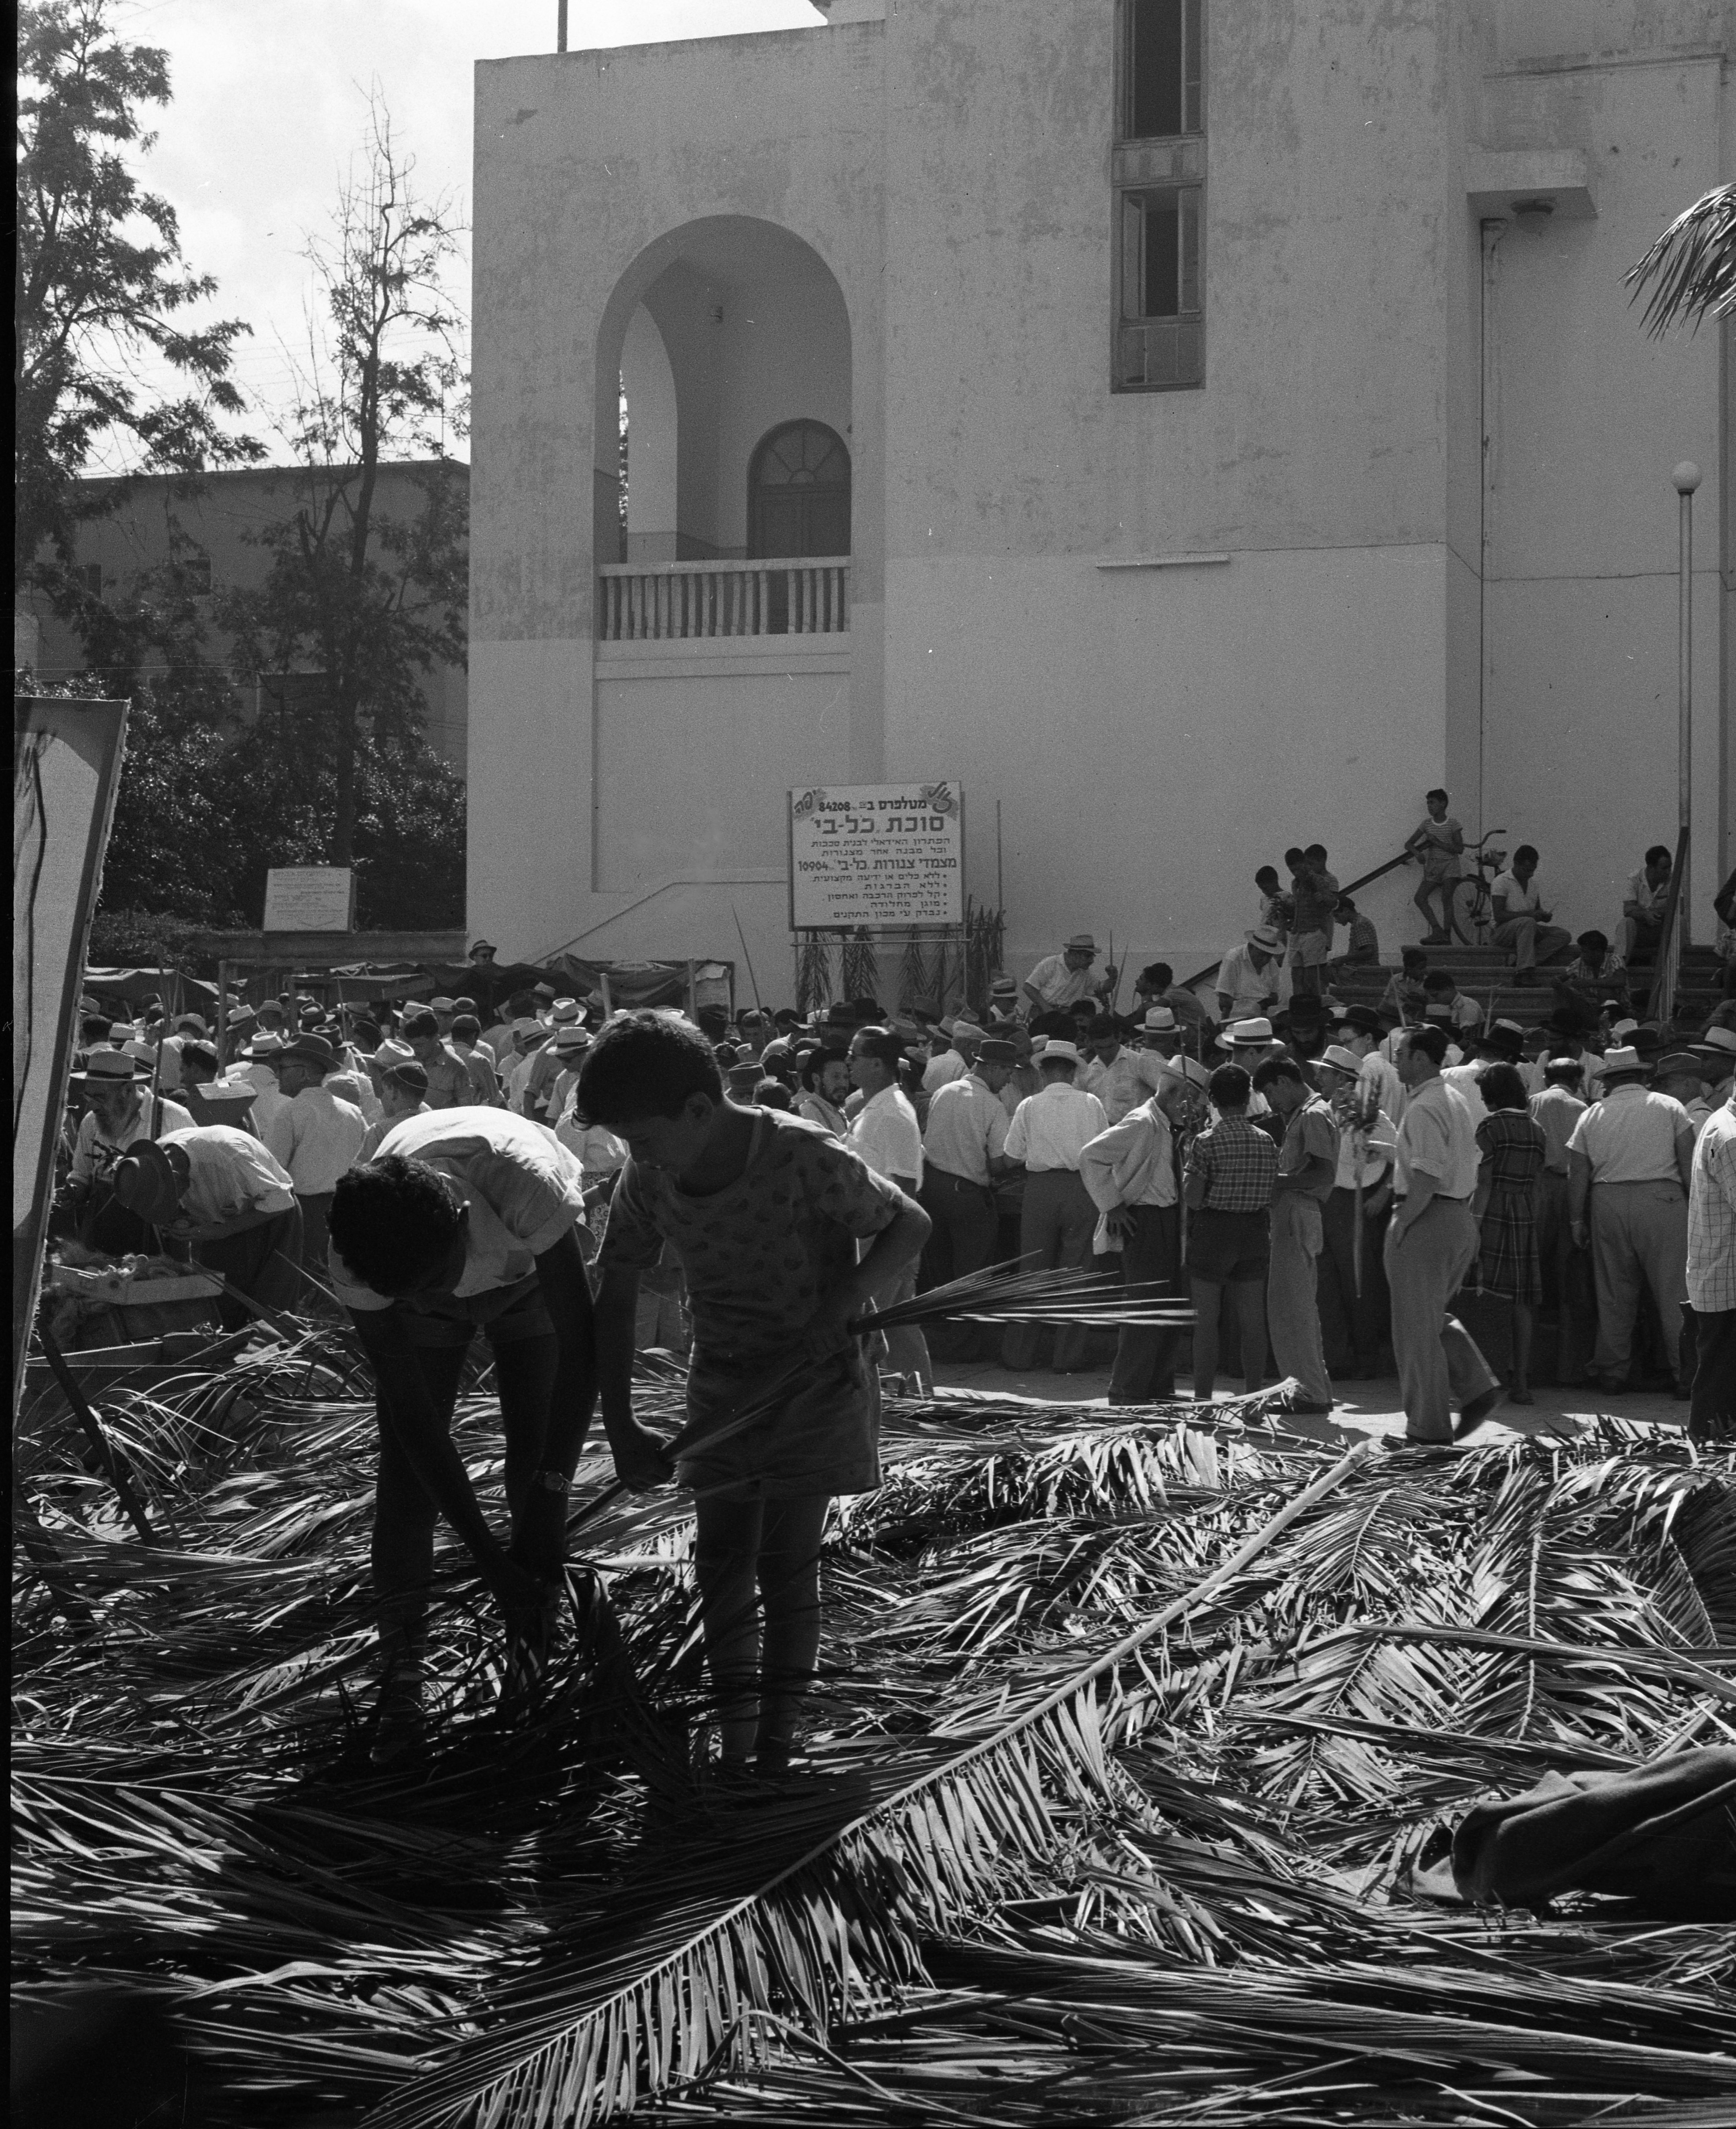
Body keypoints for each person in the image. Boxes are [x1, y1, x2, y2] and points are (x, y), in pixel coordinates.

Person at [582, 1010, 929, 1776]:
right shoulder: (650, 1175)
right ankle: (733, 1742)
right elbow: (616, 1289)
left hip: (816, 1380)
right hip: (723, 1382)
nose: (638, 1156)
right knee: (722, 1562)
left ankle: (776, 1746)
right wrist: (621, 1419)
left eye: (643, 1137)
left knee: (784, 1562)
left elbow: (907, 1223)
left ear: (700, 1112)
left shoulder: (800, 1152)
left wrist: (843, 1308)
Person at [328, 1109, 645, 1753]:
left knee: (532, 1464)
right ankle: (402, 1686)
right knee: (404, 1485)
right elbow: (414, 1419)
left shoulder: (521, 1184)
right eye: (404, 1298)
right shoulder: (358, 1249)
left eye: (426, 1287)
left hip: (525, 1282)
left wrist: (553, 1491)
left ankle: (530, 1668)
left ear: (458, 1226)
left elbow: (581, 1351)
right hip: (433, 1259)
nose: (418, 1305)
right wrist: (485, 1556)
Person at [1385, 1026, 1505, 1443]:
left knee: (1415, 1330)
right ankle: (1477, 1388)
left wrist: (1403, 1221)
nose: (1396, 1060)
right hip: (1456, 1217)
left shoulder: (1425, 1105)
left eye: (1401, 1053)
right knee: (1430, 1318)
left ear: (1421, 1058)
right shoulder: (1452, 1097)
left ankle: (1428, 1430)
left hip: (1427, 1218)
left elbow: (1427, 1174)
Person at [1566, 1045, 1696, 1397]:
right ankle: (1686, 1373)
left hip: (1607, 1200)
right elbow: (1688, 1165)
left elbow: (1578, 1173)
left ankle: (1613, 1371)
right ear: (1642, 1076)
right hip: (1662, 1200)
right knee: (1674, 1293)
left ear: (1609, 1081)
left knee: (1614, 1292)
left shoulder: (1592, 1114)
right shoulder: (1670, 1107)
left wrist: (1577, 1221)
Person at [1079, 1056, 1208, 1404]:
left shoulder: (1170, 1125)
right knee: (1145, 1307)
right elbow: (1091, 1156)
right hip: (1146, 1221)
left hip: (1170, 1221)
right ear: (1178, 1092)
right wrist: (1112, 1205)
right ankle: (1128, 1389)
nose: (1195, 1107)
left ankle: (1158, 1386)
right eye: (1193, 1099)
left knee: (1170, 1307)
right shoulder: (1141, 1121)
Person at [111, 1127, 303, 1331]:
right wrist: (190, 1219)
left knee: (273, 1309)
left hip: (273, 1216)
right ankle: (227, 1353)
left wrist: (222, 1231)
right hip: (223, 1222)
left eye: (169, 1199)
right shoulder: (152, 1161)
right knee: (219, 1302)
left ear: (176, 1177)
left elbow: (281, 1200)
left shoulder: (230, 1156)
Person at [1001, 1039, 1107, 1373]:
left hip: (1040, 1191)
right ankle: (1067, 1357)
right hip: (1081, 1188)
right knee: (1077, 1273)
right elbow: (1103, 1152)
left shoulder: (1029, 1105)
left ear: (1044, 1072)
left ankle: (1019, 1354)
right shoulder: (1091, 1103)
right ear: (1073, 1072)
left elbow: (1011, 1157)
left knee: (1032, 1271)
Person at [846, 1026, 934, 1391]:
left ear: (879, 1065)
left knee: (874, 1326)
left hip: (885, 1237)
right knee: (897, 1327)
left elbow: (906, 1187)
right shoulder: (874, 1108)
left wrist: (888, 1247)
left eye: (856, 1057)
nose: (848, 1063)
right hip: (874, 1234)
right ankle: (919, 1399)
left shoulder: (893, 1114)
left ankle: (911, 1401)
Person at [1182, 1064, 1275, 1402]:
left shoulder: (1206, 1142)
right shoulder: (1266, 1141)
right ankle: (1253, 1399)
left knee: (1206, 1323)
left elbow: (1193, 1198)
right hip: (1254, 1229)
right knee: (1253, 1322)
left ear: (1213, 1100)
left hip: (1215, 1230)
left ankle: (1203, 1401)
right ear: (1249, 1097)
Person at [1250, 1057, 1338, 1412]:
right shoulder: (1308, 1112)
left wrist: (1273, 1181)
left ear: (1285, 1081)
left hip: (1297, 1210)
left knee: (1292, 1308)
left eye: (1271, 1093)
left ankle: (1309, 1392)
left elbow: (1322, 1173)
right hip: (1296, 1212)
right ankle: (1309, 1389)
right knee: (1295, 1307)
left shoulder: (1314, 1114)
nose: (1271, 1103)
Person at [1313, 1043, 1398, 1379]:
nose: (1319, 1077)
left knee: (1359, 1282)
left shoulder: (1372, 1115)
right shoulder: (1320, 1111)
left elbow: (1399, 1155)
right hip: (1326, 1199)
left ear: (1340, 1077)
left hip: (1356, 1202)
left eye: (1325, 1072)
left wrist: (1384, 1193)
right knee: (1327, 1284)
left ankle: (1366, 1357)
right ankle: (1334, 1358)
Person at [920, 1035, 1018, 1321]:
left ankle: (941, 1336)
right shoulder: (992, 1105)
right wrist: (1020, 1155)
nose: (1008, 1081)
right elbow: (998, 1164)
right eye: (1008, 1073)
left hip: (932, 1189)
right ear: (994, 1068)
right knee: (972, 1273)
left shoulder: (944, 1092)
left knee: (939, 1269)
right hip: (966, 1195)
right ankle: (964, 1341)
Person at [62, 1051, 195, 1253]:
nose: (92, 1104)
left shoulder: (172, 1117)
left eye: (100, 1097)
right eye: (88, 1096)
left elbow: (195, 1180)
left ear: (127, 1091)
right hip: (102, 1237)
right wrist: (73, 1190)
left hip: (157, 1237)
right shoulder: (91, 1122)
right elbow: (81, 1174)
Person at [262, 1034, 368, 1277]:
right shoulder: (352, 1111)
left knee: (304, 1282)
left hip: (305, 1214)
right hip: (347, 1210)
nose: (277, 1075)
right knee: (339, 1279)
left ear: (304, 1073)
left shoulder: (290, 1112)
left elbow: (272, 1171)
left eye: (282, 1068)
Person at [1472, 1064, 1548, 1404]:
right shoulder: (1536, 1130)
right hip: (1524, 1216)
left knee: (1482, 1295)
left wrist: (1473, 1225)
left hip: (1492, 1214)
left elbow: (1484, 1182)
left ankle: (1481, 1382)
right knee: (1522, 1302)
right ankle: (1522, 1384)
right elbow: (1537, 1184)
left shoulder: (1490, 1127)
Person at [1531, 1056, 1594, 1387]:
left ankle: (1529, 1358)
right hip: (1570, 1185)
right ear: (1578, 1080)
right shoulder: (1582, 1107)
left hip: (1538, 1186)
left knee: (1534, 1267)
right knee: (1568, 1270)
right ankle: (1568, 1365)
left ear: (1545, 1077)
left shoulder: (1534, 1102)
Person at [1682, 1086, 1735, 1443]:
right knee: (1720, 1385)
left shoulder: (1722, 1123)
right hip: (1727, 1279)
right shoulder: (1731, 1136)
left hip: (1720, 1273)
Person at [1488, 844, 1572, 983]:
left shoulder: (1533, 884)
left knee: (1563, 935)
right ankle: (1523, 973)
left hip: (1527, 929)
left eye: (1533, 870)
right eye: (1526, 870)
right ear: (1516, 864)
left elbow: (1536, 911)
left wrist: (1543, 916)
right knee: (1527, 922)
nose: (1530, 874)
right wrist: (1529, 915)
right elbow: (1499, 916)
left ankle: (1521, 961)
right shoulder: (1501, 881)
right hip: (1502, 931)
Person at [1077, 1015, 1167, 1124]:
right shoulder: (1087, 1071)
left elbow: (1167, 1091)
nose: (1106, 1053)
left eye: (1110, 1047)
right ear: (1091, 1043)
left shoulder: (1139, 1062)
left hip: (1137, 1132)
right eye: (1100, 1048)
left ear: (1119, 1038)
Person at [1404, 788, 1465, 943]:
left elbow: (1459, 849)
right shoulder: (1426, 824)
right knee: (1420, 898)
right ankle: (1437, 930)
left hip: (1450, 865)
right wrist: (1417, 854)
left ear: (1443, 804)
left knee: (1447, 898)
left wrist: (1437, 842)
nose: (1429, 806)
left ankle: (1447, 934)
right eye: (1428, 803)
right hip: (1433, 866)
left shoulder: (1453, 823)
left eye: (1432, 803)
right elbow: (1409, 844)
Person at [1285, 845, 1340, 999]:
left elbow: (1333, 903)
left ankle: (1316, 1007)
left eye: (1299, 869)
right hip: (1299, 931)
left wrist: (1322, 897)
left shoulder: (1323, 880)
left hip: (1316, 930)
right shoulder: (1296, 883)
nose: (1296, 873)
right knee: (1297, 975)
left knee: (1313, 976)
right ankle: (1301, 1007)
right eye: (1292, 870)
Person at [1023, 934, 1116, 1017]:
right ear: (1075, 954)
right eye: (1088, 956)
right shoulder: (1051, 963)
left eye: (1093, 957)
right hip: (1042, 1014)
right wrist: (1048, 1010)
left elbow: (1101, 989)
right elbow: (1029, 987)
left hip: (1066, 1017)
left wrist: (1113, 978)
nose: (1092, 961)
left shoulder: (1085, 973)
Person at [358, 1058, 430, 1162]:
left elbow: (363, 1169)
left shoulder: (380, 1131)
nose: (382, 1097)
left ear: (394, 1091)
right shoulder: (435, 1124)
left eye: (385, 1091)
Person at [1551, 930, 1630, 1025]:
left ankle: (1606, 1026)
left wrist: (1589, 983)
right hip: (1589, 1010)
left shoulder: (1614, 959)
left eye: (1585, 952)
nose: (1582, 955)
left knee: (1606, 992)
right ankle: (1559, 1024)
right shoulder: (1579, 963)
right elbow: (1560, 978)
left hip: (1617, 1010)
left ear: (1598, 952)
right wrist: (1556, 982)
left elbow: (1620, 981)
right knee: (1561, 990)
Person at [1216, 927, 1282, 1025]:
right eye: (1261, 955)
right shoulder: (1233, 958)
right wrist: (1252, 1008)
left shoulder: (1272, 963)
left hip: (1264, 1016)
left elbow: (1275, 994)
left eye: (1269, 956)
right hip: (1238, 1018)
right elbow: (1224, 998)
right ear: (1251, 947)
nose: (1265, 960)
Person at [1621, 845, 1674, 964]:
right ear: (1651, 868)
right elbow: (1628, 910)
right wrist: (1645, 916)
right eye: (1664, 868)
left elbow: (1679, 908)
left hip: (1663, 930)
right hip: (1641, 931)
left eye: (1670, 867)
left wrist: (1651, 914)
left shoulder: (1673, 879)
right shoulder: (1634, 879)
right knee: (1626, 923)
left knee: (1680, 921)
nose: (1668, 872)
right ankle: (1620, 966)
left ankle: (1676, 963)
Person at [1132, 962, 1209, 1038]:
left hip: (1197, 1035)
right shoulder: (1170, 992)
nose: (1137, 981)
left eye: (1141, 979)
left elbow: (1151, 1009)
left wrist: (1145, 995)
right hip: (1193, 1032)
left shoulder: (1174, 993)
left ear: (1154, 984)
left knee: (1162, 1015)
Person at [796, 1049, 852, 1138]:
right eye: (836, 1077)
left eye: (846, 1077)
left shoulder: (839, 1112)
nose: (843, 1083)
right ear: (816, 1079)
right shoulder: (808, 1112)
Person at [1379, 946, 1430, 1026]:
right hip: (1394, 1017)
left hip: (1417, 1021)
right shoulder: (1396, 979)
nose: (1424, 971)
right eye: (1420, 968)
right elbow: (1388, 1000)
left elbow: (1427, 1005)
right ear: (1409, 969)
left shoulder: (1428, 982)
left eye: (1425, 967)